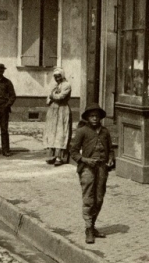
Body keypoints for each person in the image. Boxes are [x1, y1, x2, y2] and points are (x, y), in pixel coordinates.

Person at [69, 104, 115, 244]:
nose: (94, 118)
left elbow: (111, 149)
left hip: (102, 168)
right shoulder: (82, 131)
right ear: (88, 118)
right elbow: (73, 152)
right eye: (92, 116)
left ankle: (93, 226)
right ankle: (88, 229)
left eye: (97, 116)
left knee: (99, 198)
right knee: (88, 198)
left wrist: (111, 159)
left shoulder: (105, 132)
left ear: (100, 117)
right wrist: (85, 160)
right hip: (87, 169)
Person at [43, 68, 72, 165]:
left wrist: (52, 96)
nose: (57, 78)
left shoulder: (67, 85)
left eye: (58, 76)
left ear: (62, 75)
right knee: (51, 131)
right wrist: (52, 96)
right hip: (52, 110)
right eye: (55, 76)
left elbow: (60, 97)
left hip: (62, 110)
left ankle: (60, 157)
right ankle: (53, 155)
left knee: (61, 132)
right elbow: (48, 99)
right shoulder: (54, 86)